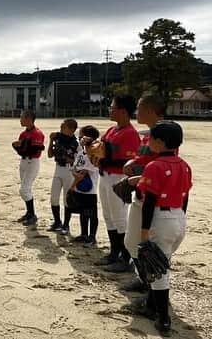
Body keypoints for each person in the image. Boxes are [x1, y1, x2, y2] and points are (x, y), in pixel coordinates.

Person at [135, 121, 192, 336]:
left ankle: (164, 318)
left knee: (158, 270)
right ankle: (151, 305)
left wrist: (143, 231)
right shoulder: (185, 165)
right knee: (162, 262)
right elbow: (186, 196)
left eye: (151, 139)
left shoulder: (155, 166)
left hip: (161, 218)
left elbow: (149, 201)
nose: (148, 142)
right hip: (178, 217)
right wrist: (180, 218)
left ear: (160, 142)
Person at [122, 94, 167, 293]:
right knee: (131, 241)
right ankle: (144, 279)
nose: (136, 112)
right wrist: (134, 163)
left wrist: (138, 178)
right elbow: (144, 158)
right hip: (140, 193)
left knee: (149, 245)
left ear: (149, 110)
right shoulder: (148, 134)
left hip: (153, 198)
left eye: (139, 108)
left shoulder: (165, 134)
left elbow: (162, 168)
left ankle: (153, 291)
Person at [92, 95, 140, 273]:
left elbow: (129, 162)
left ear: (123, 111)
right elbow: (100, 146)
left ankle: (125, 259)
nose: (109, 109)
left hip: (117, 178)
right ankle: (114, 253)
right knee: (108, 216)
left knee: (120, 219)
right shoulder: (113, 130)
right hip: (105, 176)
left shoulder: (130, 133)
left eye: (112, 107)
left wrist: (104, 158)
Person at [69, 125, 100, 247]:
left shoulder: (93, 153)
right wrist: (74, 174)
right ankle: (84, 234)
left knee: (91, 213)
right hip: (79, 188)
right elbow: (74, 168)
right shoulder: (81, 153)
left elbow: (83, 173)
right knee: (83, 213)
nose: (80, 139)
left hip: (89, 190)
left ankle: (92, 237)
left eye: (82, 136)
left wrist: (72, 186)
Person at [13, 110, 45, 226]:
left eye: (22, 118)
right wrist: (17, 147)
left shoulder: (37, 133)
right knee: (26, 189)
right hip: (24, 161)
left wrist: (24, 146)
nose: (20, 120)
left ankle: (32, 214)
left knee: (24, 190)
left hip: (33, 162)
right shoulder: (23, 134)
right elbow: (22, 152)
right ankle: (29, 213)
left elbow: (34, 150)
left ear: (29, 119)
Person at [47, 119, 79, 233]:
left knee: (67, 199)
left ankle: (66, 225)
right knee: (54, 197)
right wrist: (51, 141)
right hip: (58, 169)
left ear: (71, 130)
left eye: (63, 127)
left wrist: (64, 155)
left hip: (69, 170)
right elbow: (50, 155)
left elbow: (75, 160)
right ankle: (57, 222)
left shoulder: (75, 143)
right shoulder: (59, 137)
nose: (60, 128)